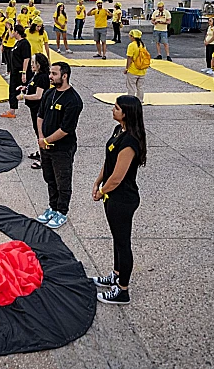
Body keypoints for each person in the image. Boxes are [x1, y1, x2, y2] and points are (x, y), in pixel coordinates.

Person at [90, 95, 146, 305]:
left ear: (126, 113)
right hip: (112, 196)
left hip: (123, 199)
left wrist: (102, 191)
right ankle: (116, 274)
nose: (112, 110)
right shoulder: (118, 131)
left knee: (123, 242)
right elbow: (109, 162)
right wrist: (97, 182)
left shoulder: (130, 141)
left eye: (116, 108)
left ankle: (123, 290)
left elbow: (118, 176)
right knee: (117, 238)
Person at [35, 62, 83, 229]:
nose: (50, 76)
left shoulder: (74, 100)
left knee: (62, 181)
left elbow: (65, 129)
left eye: (54, 74)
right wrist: (41, 138)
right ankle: (52, 207)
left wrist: (47, 140)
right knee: (49, 178)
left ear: (65, 76)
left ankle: (61, 212)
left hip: (62, 149)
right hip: (45, 146)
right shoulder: (49, 93)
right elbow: (40, 117)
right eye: (50, 73)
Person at [18, 53, 51, 169]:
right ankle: (40, 151)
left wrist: (24, 97)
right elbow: (33, 86)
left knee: (41, 132)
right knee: (37, 131)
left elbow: (38, 96)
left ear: (39, 64)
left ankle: (44, 158)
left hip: (39, 109)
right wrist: (25, 88)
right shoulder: (36, 75)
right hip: (34, 109)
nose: (31, 65)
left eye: (33, 63)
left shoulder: (42, 77)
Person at [1, 24, 32, 119]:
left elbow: (26, 58)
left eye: (13, 31)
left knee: (26, 89)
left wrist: (24, 72)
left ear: (17, 32)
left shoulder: (24, 43)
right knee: (13, 90)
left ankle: (12, 110)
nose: (12, 33)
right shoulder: (17, 42)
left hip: (20, 71)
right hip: (15, 71)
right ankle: (12, 110)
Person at [124, 29, 150, 102]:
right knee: (140, 87)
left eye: (130, 35)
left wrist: (126, 68)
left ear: (133, 37)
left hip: (133, 69)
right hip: (142, 70)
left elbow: (129, 58)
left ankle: (131, 100)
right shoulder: (143, 45)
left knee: (131, 86)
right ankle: (140, 100)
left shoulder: (131, 45)